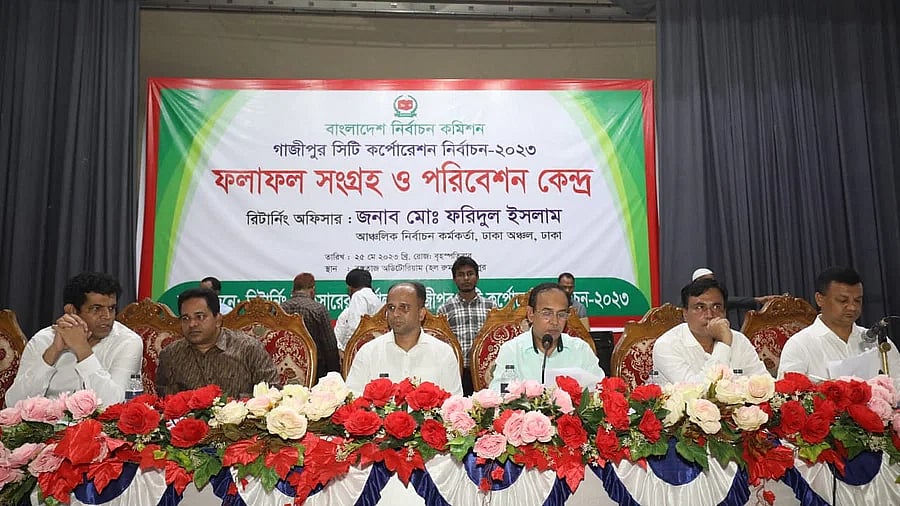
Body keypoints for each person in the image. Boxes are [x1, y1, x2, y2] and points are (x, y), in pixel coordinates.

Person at [6, 272, 143, 407]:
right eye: (96, 309)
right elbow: (14, 403)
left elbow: (113, 404)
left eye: (111, 308)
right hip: (47, 419)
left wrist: (82, 349)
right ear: (71, 310)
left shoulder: (128, 342)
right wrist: (53, 352)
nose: (107, 316)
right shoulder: (43, 340)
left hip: (99, 422)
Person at [778, 266, 900, 380]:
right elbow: (789, 392)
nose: (852, 307)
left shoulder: (879, 342)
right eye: (843, 300)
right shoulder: (800, 345)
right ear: (820, 299)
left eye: (857, 300)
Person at [345, 282, 463, 396]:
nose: (396, 314)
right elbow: (353, 399)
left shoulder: (443, 353)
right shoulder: (368, 352)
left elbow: (453, 403)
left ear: (421, 314)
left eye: (404, 308)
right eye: (391, 308)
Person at [156, 287, 278, 397]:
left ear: (218, 320)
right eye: (185, 318)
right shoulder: (171, 355)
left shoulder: (249, 349)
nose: (192, 324)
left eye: (200, 317)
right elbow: (166, 402)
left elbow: (273, 394)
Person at [489, 282, 605, 391]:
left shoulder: (580, 350)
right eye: (547, 313)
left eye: (561, 314)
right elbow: (500, 394)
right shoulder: (511, 350)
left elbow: (600, 390)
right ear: (531, 314)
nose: (555, 322)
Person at [651, 278, 767, 385]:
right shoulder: (667, 345)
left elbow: (763, 381)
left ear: (724, 312)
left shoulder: (738, 339)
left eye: (716, 307)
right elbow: (697, 391)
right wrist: (724, 344)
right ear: (685, 314)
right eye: (699, 307)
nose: (709, 315)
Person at [437, 256, 496, 395]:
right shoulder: (445, 309)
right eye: (461, 275)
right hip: (457, 371)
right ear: (454, 279)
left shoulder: (491, 307)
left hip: (485, 372)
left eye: (470, 274)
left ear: (477, 277)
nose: (466, 278)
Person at [281, 272, 341, 379]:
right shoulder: (318, 309)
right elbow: (329, 345)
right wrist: (334, 372)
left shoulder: (280, 309)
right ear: (312, 290)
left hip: (285, 367)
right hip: (315, 369)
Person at [333, 268, 382, 357]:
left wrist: (348, 353)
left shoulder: (358, 296)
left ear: (350, 287)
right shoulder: (375, 299)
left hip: (359, 351)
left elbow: (355, 327)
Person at [691, 268, 779, 311]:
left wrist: (758, 300)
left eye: (712, 280)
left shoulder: (718, 298)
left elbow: (734, 301)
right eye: (707, 280)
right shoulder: (689, 299)